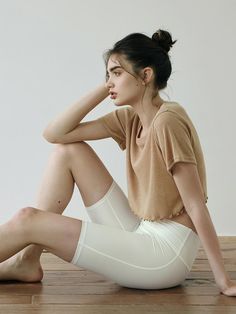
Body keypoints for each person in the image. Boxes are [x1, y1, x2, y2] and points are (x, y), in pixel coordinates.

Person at [0, 29, 235, 296]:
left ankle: (25, 258)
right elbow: (55, 134)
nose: (109, 82)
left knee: (27, 219)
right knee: (68, 151)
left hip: (166, 253)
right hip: (142, 228)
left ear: (146, 76)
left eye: (117, 73)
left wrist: (223, 280)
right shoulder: (129, 119)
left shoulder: (168, 121)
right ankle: (26, 260)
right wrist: (106, 87)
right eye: (108, 74)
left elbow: (195, 204)